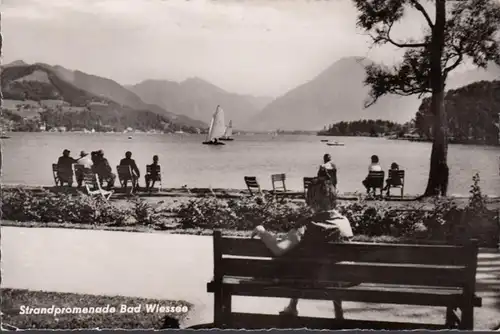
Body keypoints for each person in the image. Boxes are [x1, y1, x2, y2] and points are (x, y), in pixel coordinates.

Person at [251, 177, 354, 317]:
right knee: (312, 258)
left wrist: (262, 232)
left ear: (311, 200)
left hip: (313, 281)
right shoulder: (344, 222)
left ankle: (292, 306)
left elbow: (279, 249)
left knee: (299, 260)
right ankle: (337, 312)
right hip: (342, 280)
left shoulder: (307, 224)